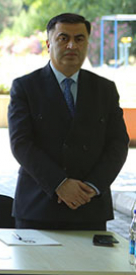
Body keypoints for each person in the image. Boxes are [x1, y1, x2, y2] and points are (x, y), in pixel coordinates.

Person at [8, 13, 129, 230]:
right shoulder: (25, 87)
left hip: (89, 205)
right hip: (38, 207)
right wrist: (60, 184)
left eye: (79, 39)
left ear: (87, 44)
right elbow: (21, 143)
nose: (72, 45)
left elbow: (118, 143)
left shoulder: (105, 90)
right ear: (49, 44)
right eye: (63, 38)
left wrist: (93, 186)